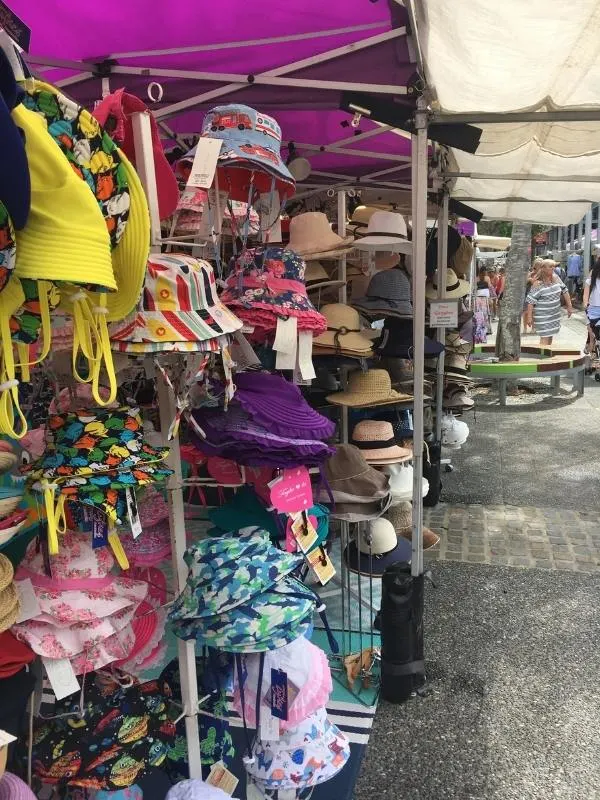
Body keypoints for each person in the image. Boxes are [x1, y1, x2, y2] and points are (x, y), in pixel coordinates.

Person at [525, 259, 572, 346]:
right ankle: (542, 357)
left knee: (550, 336)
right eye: (551, 266)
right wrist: (529, 317)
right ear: (543, 268)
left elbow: (565, 290)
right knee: (545, 337)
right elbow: (530, 301)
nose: (553, 268)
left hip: (554, 315)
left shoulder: (556, 278)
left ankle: (546, 355)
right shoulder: (537, 284)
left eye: (554, 266)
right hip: (543, 316)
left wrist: (570, 306)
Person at [583, 257, 600, 354]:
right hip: (593, 309)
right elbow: (586, 292)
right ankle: (592, 351)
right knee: (592, 334)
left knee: (595, 335)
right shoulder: (592, 275)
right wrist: (585, 303)